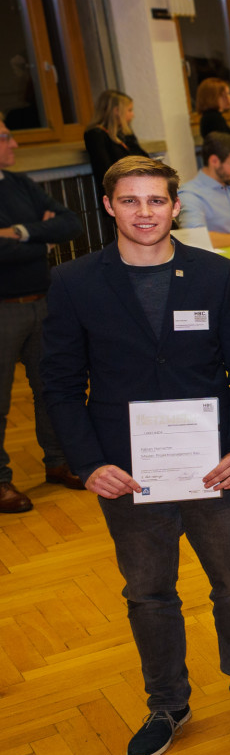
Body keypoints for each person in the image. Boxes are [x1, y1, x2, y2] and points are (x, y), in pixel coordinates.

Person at [43, 156, 230, 755]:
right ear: (109, 207)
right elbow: (61, 386)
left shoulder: (215, 275)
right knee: (149, 592)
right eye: (130, 201)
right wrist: (89, 462)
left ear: (176, 207)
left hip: (214, 467)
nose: (144, 212)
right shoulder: (75, 283)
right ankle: (167, 703)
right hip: (128, 473)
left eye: (155, 201)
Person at [0, 125, 85, 511]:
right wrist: (40, 240)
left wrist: (18, 233)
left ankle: (59, 461)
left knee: (53, 386)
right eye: (4, 136)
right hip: (2, 309)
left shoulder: (18, 182)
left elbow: (70, 223)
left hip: (43, 300)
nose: (14, 142)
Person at [85, 90, 149, 181]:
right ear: (116, 111)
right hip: (117, 188)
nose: (133, 115)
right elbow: (106, 170)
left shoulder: (125, 132)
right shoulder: (96, 134)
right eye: (129, 110)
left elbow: (144, 158)